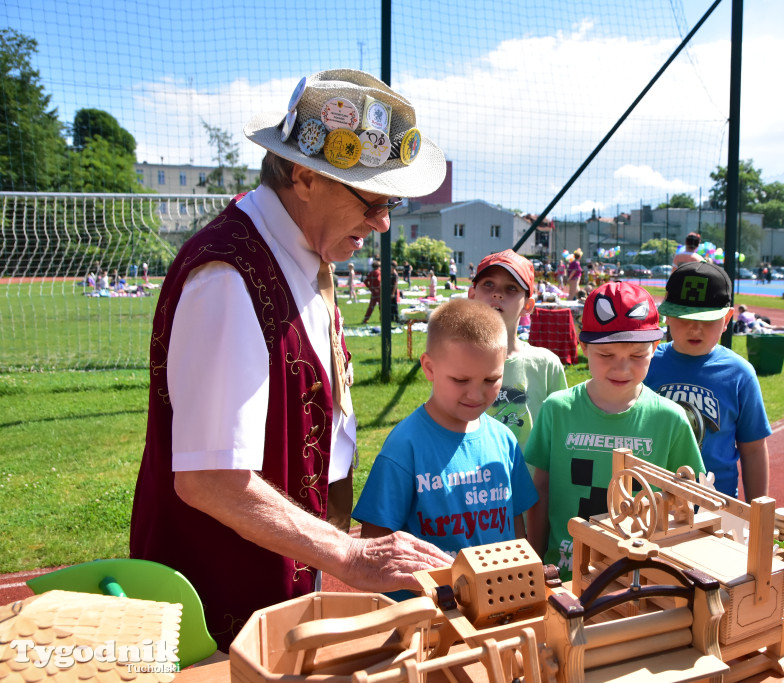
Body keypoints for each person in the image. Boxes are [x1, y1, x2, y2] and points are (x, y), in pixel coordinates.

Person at [129, 69, 452, 650]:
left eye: (391, 204)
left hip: (280, 568)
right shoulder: (228, 277)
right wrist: (349, 552)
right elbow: (209, 480)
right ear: (304, 176)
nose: (382, 224)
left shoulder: (300, 249)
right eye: (373, 201)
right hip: (225, 596)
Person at [525, 282, 704, 580]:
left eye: (637, 356)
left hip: (642, 578)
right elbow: (540, 490)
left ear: (655, 348)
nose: (622, 370)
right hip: (564, 574)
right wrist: (533, 558)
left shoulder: (670, 419)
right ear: (583, 347)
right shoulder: (557, 410)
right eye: (606, 355)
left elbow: (689, 504)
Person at [353, 298, 537, 555]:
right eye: (461, 380)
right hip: (430, 595)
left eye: (491, 379)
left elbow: (515, 524)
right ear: (429, 367)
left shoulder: (505, 440)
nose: (476, 394)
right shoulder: (404, 447)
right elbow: (375, 544)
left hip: (499, 592)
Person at [643, 262, 770, 501]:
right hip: (652, 503)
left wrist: (758, 512)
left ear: (727, 319)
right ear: (667, 314)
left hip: (716, 506)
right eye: (684, 316)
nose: (695, 328)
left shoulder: (740, 374)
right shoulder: (646, 363)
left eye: (707, 319)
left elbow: (752, 449)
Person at [467, 249, 568, 448]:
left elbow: (562, 431)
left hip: (530, 479)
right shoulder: (456, 363)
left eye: (511, 288)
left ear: (528, 306)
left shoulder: (546, 365)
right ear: (472, 295)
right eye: (488, 284)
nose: (497, 293)